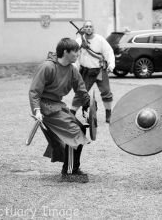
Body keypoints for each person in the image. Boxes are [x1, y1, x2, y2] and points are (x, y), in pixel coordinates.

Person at [29, 38, 91, 182]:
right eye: (75, 51)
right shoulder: (47, 67)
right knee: (73, 132)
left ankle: (73, 168)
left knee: (80, 129)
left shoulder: (72, 69)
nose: (78, 54)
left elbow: (81, 88)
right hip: (46, 107)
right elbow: (34, 92)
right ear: (65, 52)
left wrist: (87, 105)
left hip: (57, 105)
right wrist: (37, 111)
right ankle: (69, 172)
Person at [71, 20, 115, 123]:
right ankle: (71, 114)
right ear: (83, 29)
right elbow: (75, 56)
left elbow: (108, 52)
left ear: (93, 28)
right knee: (80, 92)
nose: (89, 28)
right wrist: (74, 68)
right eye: (86, 26)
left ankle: (108, 114)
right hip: (86, 72)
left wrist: (111, 65)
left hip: (100, 70)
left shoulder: (100, 39)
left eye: (90, 26)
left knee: (106, 92)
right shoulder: (79, 41)